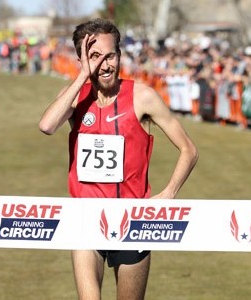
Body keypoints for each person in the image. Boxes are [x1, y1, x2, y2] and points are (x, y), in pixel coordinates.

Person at [39, 18, 198, 300]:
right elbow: (47, 125)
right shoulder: (76, 98)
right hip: (87, 219)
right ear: (82, 60)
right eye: (94, 56)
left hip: (132, 221)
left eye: (110, 55)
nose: (105, 65)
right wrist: (82, 76)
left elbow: (189, 149)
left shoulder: (143, 97)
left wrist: (169, 193)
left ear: (120, 55)